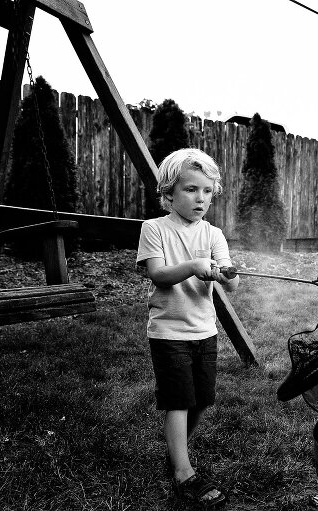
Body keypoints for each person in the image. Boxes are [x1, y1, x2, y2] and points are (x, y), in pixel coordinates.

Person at [136, 148, 238, 508]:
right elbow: (159, 275)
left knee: (200, 401)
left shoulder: (213, 234)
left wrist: (227, 275)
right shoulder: (155, 229)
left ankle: (176, 452)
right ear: (169, 192)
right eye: (191, 190)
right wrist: (194, 265)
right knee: (178, 402)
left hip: (204, 332)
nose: (200, 198)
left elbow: (229, 282)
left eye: (207, 191)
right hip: (168, 333)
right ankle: (183, 471)